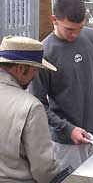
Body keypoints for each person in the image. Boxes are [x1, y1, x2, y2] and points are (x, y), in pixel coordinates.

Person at [29, 0, 93, 170]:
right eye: (69, 29)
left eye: (79, 28)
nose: (75, 34)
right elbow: (38, 103)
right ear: (55, 19)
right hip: (65, 143)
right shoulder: (45, 53)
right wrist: (68, 129)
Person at [0, 36, 59, 183]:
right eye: (34, 70)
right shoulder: (31, 107)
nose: (36, 75)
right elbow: (43, 169)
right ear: (20, 68)